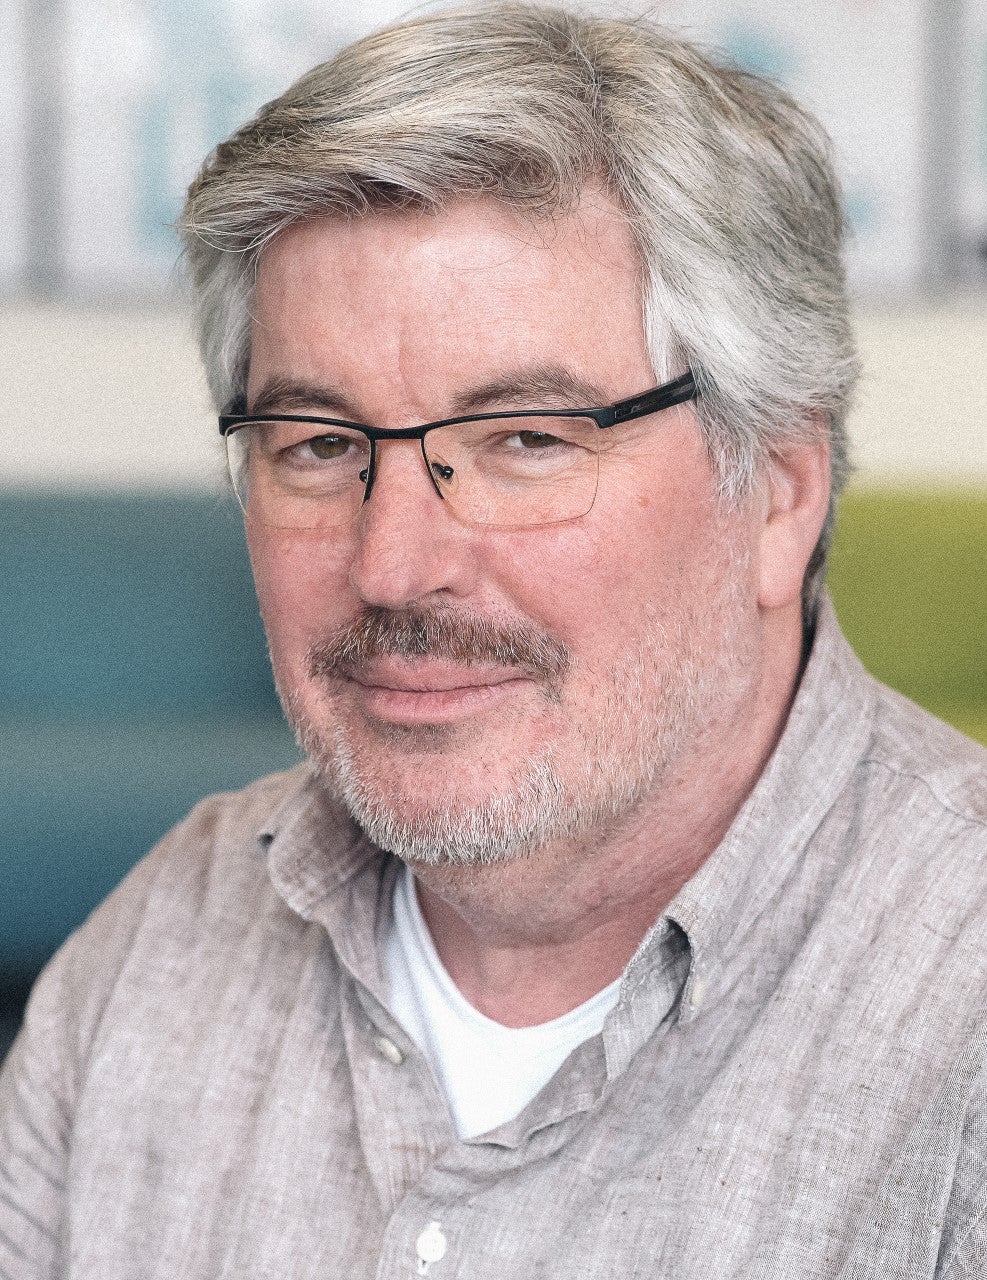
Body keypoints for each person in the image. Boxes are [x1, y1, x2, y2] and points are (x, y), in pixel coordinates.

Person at [2, 5, 986, 1276]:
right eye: (317, 443)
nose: (394, 562)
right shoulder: (161, 942)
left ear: (780, 491)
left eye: (526, 438)